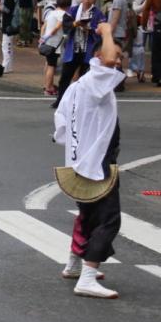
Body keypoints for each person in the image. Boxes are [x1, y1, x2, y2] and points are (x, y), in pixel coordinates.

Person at [53, 21, 124, 299]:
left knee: (88, 216)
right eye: (115, 56)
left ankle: (74, 264)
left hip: (78, 160)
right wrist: (106, 32)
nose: (117, 62)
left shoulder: (76, 87)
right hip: (96, 162)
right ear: (97, 59)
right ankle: (87, 277)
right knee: (109, 219)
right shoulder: (95, 80)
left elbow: (59, 128)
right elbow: (106, 59)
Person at [53, 0, 107, 108]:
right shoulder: (73, 10)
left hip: (88, 49)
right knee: (65, 76)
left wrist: (91, 29)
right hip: (74, 48)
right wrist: (75, 23)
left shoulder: (98, 13)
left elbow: (102, 29)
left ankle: (82, 102)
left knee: (85, 78)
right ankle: (60, 100)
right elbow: (65, 24)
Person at [39, 0, 69, 96]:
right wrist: (50, 34)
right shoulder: (63, 15)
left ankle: (47, 85)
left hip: (48, 43)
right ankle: (48, 88)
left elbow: (44, 26)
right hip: (55, 44)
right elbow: (57, 28)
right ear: (68, 5)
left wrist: (42, 38)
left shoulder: (52, 13)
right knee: (52, 66)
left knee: (48, 64)